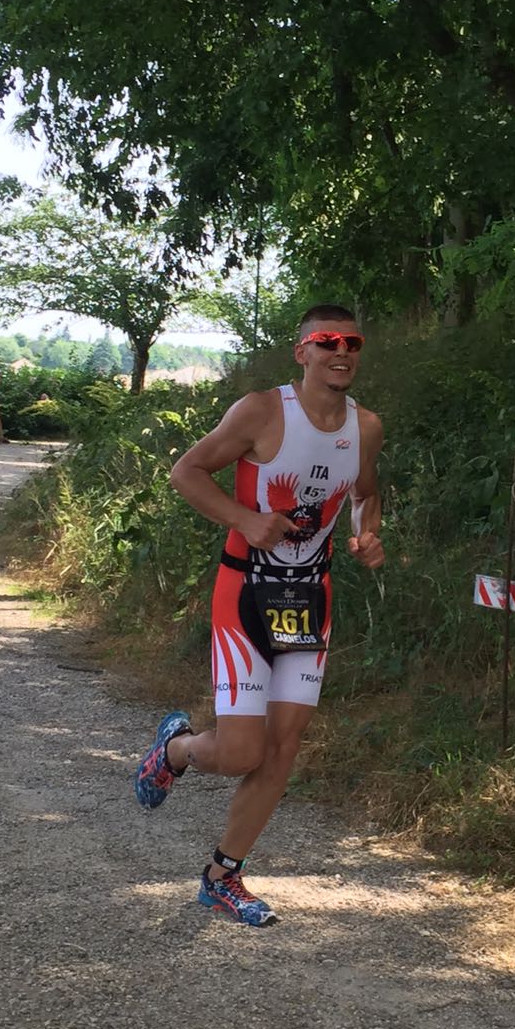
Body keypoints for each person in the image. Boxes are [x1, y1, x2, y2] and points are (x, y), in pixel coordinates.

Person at [133, 305, 385, 927]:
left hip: (310, 600)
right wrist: (245, 519)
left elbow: (365, 493)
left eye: (350, 342)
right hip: (244, 592)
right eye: (325, 342)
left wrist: (367, 534)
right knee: (244, 750)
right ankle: (178, 750)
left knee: (283, 749)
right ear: (301, 352)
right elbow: (186, 471)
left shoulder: (367, 426)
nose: (340, 351)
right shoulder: (263, 411)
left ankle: (224, 876)